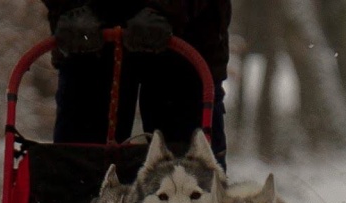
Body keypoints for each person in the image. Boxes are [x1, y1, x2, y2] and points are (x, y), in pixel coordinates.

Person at [41, 0, 231, 168]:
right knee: (79, 173)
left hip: (187, 37)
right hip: (87, 40)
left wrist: (167, 9)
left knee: (191, 177)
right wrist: (70, 7)